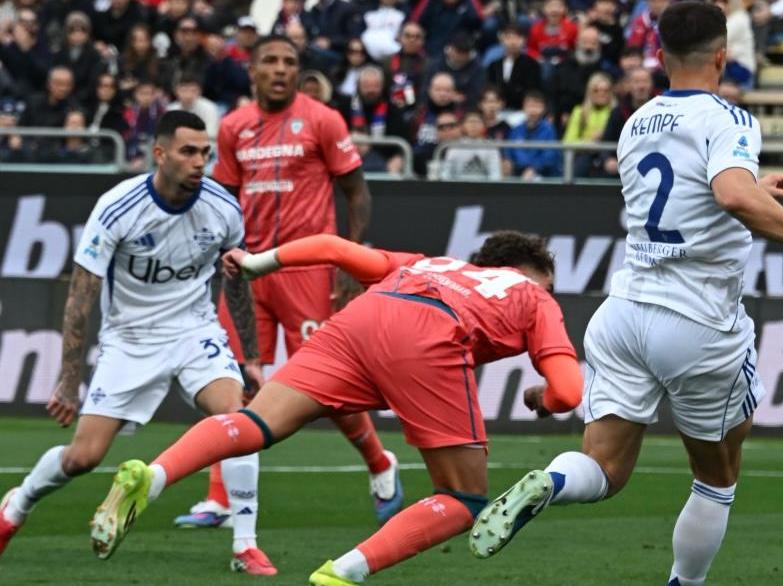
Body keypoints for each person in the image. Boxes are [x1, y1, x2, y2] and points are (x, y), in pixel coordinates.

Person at [469, 6, 783, 586]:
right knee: (717, 476)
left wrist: (754, 186)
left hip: (623, 313)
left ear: (662, 57)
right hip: (696, 322)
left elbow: (698, 190)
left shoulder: (636, 122)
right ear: (722, 55)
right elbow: (731, 197)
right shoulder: (732, 118)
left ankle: (554, 480)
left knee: (604, 466)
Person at [88, 230, 584, 585]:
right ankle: (343, 572)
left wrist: (257, 263)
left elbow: (332, 248)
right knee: (466, 500)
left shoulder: (432, 262)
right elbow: (568, 393)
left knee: (254, 421)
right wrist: (540, 397)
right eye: (547, 283)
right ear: (526, 275)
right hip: (431, 335)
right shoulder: (534, 298)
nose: (549, 293)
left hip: (364, 316)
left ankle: (153, 475)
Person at [0, 110, 275, 574]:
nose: (199, 162)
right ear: (160, 153)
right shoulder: (116, 207)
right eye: (188, 151)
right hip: (130, 339)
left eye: (205, 153)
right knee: (83, 457)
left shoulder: (223, 207)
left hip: (194, 331)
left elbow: (235, 280)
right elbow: (80, 296)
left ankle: (244, 545)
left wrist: (250, 355)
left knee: (239, 423)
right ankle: (15, 507)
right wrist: (68, 381)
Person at [172, 34, 404, 531]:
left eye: (289, 62)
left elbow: (356, 192)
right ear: (251, 71)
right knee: (230, 380)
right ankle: (219, 497)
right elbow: (225, 199)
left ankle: (380, 463)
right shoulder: (234, 127)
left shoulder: (322, 119)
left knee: (328, 387)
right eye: (270, 62)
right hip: (247, 273)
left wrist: (350, 260)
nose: (280, 69)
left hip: (306, 271)